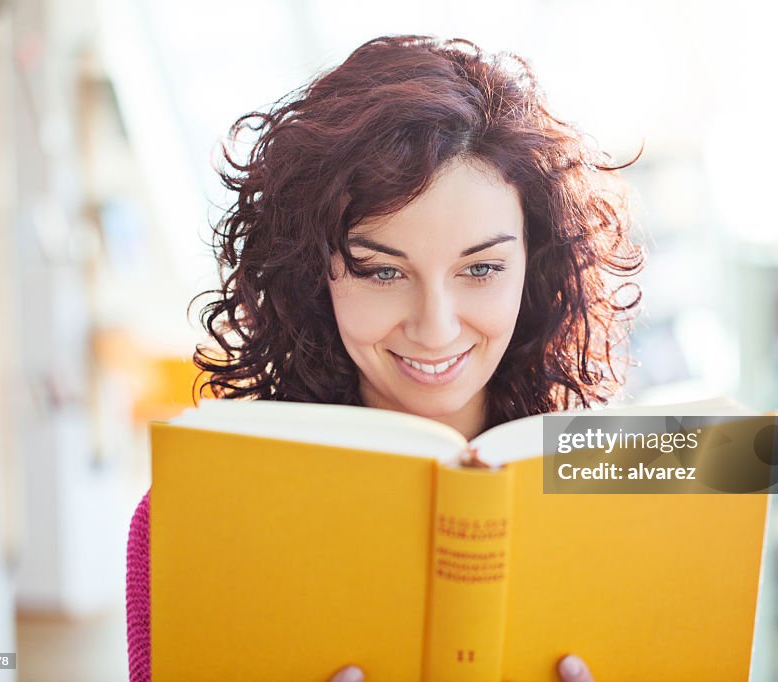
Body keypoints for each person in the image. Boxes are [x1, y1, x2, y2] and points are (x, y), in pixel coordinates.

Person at [126, 34, 643, 682]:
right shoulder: (189, 518)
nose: (436, 327)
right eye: (381, 272)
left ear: (535, 272)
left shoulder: (630, 489)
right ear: (315, 274)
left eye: (481, 268)